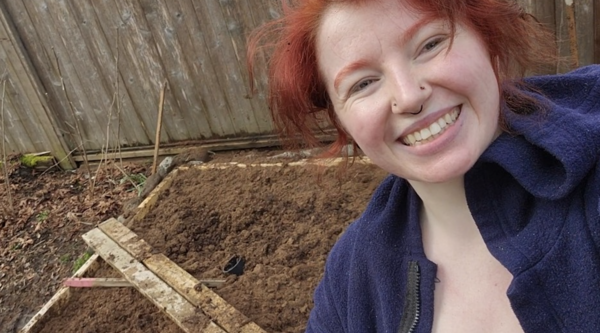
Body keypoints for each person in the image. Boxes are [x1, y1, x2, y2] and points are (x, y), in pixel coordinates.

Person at [248, 0, 600, 331]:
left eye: (430, 45)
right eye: (364, 83)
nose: (409, 97)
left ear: (487, 39)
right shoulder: (352, 275)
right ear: (343, 123)